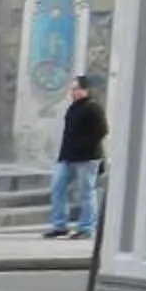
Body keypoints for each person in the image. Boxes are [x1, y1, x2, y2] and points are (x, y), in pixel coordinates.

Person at [48, 75, 106, 239]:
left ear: (85, 90)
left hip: (86, 158)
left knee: (86, 192)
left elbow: (101, 131)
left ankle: (86, 227)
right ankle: (60, 225)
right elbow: (68, 134)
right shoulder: (73, 108)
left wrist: (83, 146)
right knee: (57, 187)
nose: (73, 92)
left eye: (76, 89)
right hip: (67, 157)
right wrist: (62, 154)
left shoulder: (93, 108)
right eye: (72, 89)